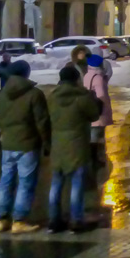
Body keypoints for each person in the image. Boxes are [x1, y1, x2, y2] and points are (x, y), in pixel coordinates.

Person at [0, 60, 50, 233]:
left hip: (8, 143)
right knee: (26, 182)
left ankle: (2, 219)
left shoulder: (3, 93)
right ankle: (19, 220)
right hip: (28, 144)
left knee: (6, 180)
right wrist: (47, 142)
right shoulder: (35, 94)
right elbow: (42, 122)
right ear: (26, 74)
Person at [47, 65, 103, 232]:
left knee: (56, 183)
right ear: (75, 79)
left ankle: (54, 220)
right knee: (77, 184)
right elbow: (94, 115)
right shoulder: (82, 97)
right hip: (77, 145)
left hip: (57, 144)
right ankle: (76, 220)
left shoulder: (52, 97)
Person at [82, 54, 113, 169]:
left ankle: (93, 158)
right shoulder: (99, 78)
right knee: (97, 137)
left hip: (90, 108)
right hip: (99, 111)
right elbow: (101, 95)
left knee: (92, 135)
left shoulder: (87, 75)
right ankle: (95, 160)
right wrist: (106, 105)